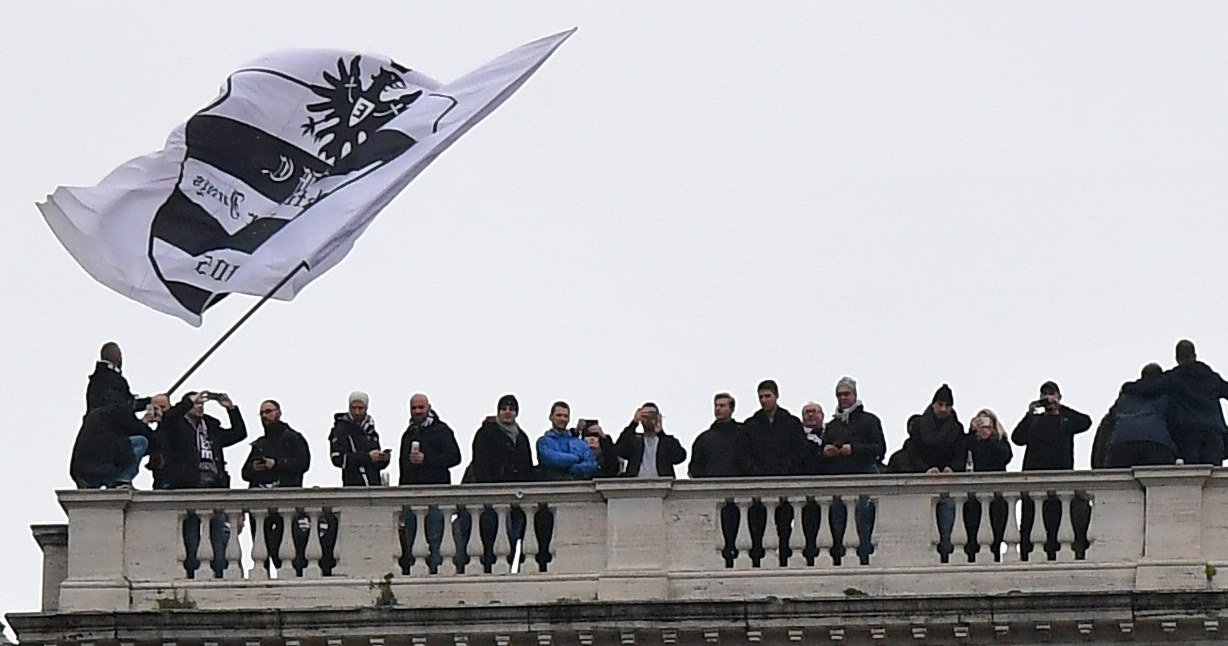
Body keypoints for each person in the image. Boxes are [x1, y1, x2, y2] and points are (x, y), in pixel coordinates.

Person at [159, 390, 247, 578]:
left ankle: (220, 572)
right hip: (189, 485)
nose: (199, 407)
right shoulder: (177, 426)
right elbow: (167, 420)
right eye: (195, 404)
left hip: (215, 485)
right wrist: (186, 403)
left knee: (218, 535)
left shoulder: (211, 426)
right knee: (191, 535)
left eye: (201, 405)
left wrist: (231, 409)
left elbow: (239, 434)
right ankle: (191, 573)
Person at [1011, 380, 1092, 560]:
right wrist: (1029, 414)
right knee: (1031, 523)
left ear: (1059, 397)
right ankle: (1027, 557)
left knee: (1057, 522)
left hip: (1060, 479)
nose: (1048, 398)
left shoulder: (1066, 420)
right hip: (1033, 480)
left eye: (1052, 394)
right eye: (1044, 394)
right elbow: (1017, 438)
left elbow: (1086, 422)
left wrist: (1060, 408)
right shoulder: (1035, 421)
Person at [887, 385, 966, 561]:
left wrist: (951, 468)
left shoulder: (957, 429)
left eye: (947, 405)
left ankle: (946, 557)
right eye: (940, 404)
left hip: (947, 482)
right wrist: (925, 470)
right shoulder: (920, 425)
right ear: (933, 405)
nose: (943, 409)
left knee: (947, 524)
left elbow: (961, 453)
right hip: (922, 479)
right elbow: (912, 452)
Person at [1121, 340, 1228, 465]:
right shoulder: (1212, 378)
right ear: (1194, 355)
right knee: (1214, 476)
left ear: (1177, 358)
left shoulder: (1174, 378)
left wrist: (1127, 387)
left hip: (1188, 433)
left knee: (1193, 475)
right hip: (1213, 432)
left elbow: (1149, 388)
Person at [239, 399, 310, 576]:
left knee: (284, 546)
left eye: (268, 411)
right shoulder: (260, 444)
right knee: (262, 546)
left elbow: (303, 463)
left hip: (284, 501)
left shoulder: (293, 438)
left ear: (278, 412)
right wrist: (255, 468)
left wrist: (276, 464)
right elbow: (245, 472)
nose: (265, 416)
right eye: (262, 413)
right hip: (260, 502)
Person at [820, 376, 885, 565]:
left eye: (846, 394)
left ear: (854, 395)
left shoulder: (869, 421)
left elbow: (880, 448)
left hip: (863, 478)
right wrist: (826, 452)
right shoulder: (832, 426)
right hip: (838, 481)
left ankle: (864, 559)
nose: (843, 398)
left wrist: (855, 449)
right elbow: (821, 456)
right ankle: (840, 559)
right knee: (838, 523)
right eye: (840, 395)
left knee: (863, 523)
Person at [467, 395, 534, 572]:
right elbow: (479, 463)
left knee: (514, 537)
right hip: (493, 496)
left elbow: (527, 465)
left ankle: (511, 571)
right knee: (491, 537)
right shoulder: (486, 433)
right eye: (504, 408)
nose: (507, 412)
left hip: (517, 497)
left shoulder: (522, 438)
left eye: (511, 409)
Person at [398, 393, 462, 574]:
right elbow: (403, 466)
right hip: (412, 497)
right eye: (414, 408)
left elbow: (455, 457)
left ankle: (436, 574)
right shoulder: (408, 434)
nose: (417, 411)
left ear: (429, 407)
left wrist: (427, 460)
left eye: (421, 407)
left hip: (436, 495)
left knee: (436, 538)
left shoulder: (442, 430)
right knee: (412, 539)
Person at [1094, 364, 1177, 468]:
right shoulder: (1166, 395)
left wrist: (1098, 462)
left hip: (1122, 442)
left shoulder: (1126, 395)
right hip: (1158, 442)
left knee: (1119, 481)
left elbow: (1109, 421)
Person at [69, 400, 160, 489]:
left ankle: (118, 480)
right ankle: (123, 479)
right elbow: (133, 428)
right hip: (103, 467)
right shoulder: (118, 412)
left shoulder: (97, 416)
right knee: (141, 442)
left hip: (84, 470)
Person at [964, 409, 1012, 562]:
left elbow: (1005, 457)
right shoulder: (972, 442)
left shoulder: (999, 441)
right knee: (972, 534)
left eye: (987, 421)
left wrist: (990, 439)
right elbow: (961, 450)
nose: (984, 425)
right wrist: (972, 432)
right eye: (981, 421)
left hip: (997, 496)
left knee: (996, 534)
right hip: (975, 496)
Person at [329, 391, 389, 486]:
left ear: (366, 408)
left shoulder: (371, 432)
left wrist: (383, 459)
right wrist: (368, 457)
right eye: (354, 408)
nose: (357, 412)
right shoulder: (341, 430)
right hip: (353, 487)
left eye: (360, 408)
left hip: (374, 486)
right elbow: (337, 459)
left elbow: (376, 465)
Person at [615, 402, 687, 478]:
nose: (648, 419)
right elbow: (619, 450)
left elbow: (680, 457)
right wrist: (633, 423)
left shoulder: (666, 441)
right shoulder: (635, 441)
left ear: (658, 417)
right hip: (636, 485)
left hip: (662, 485)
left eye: (652, 415)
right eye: (645, 415)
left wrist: (661, 433)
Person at [537, 401, 598, 480]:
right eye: (559, 415)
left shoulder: (580, 443)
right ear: (550, 417)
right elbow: (552, 460)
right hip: (552, 487)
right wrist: (577, 458)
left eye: (565, 416)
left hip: (578, 488)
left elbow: (592, 465)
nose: (562, 419)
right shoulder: (543, 442)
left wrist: (571, 468)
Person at [689, 393, 743, 478]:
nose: (718, 409)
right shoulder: (703, 439)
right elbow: (695, 469)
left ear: (731, 409)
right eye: (716, 406)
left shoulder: (744, 434)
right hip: (711, 487)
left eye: (722, 406)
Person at [800, 401, 826, 474]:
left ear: (822, 415)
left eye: (814, 412)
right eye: (807, 412)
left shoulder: (831, 432)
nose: (810, 415)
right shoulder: (796, 436)